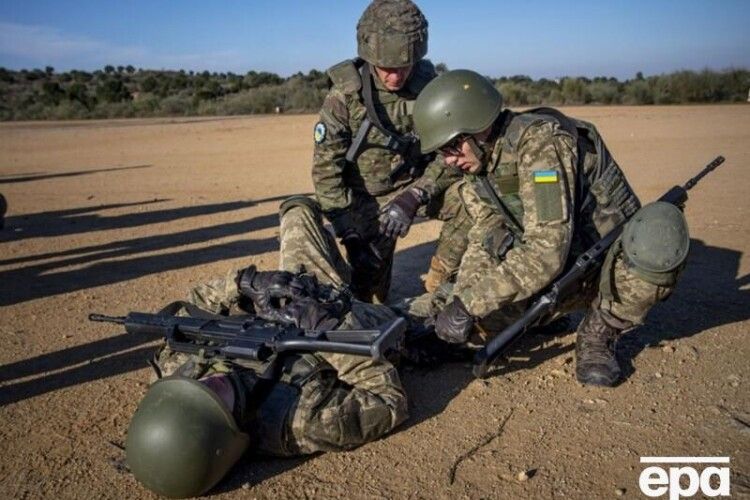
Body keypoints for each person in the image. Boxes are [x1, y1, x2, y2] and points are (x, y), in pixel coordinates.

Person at [407, 70, 689, 387]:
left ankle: (600, 330)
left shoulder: (542, 147)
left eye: (452, 148)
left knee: (656, 241)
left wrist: (471, 304)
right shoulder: (479, 165)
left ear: (478, 128)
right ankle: (543, 316)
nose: (448, 161)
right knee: (465, 331)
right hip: (550, 269)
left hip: (602, 265)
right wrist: (463, 301)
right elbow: (484, 239)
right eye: (442, 152)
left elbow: (545, 251)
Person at [125, 199, 409, 498]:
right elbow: (388, 401)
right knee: (452, 318)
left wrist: (245, 284)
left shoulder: (172, 378)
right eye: (215, 399)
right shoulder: (302, 421)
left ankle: (362, 273)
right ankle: (372, 278)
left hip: (300, 293)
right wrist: (331, 327)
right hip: (365, 325)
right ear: (231, 435)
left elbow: (192, 307)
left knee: (297, 209)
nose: (210, 381)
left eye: (195, 385)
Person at [312, 0, 471, 302]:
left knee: (472, 199)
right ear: (369, 56)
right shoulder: (344, 98)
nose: (395, 77)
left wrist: (415, 194)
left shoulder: (429, 87)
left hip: (415, 185)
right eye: (386, 69)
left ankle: (441, 287)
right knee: (369, 297)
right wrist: (349, 233)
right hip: (365, 199)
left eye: (403, 67)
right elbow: (325, 173)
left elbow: (452, 153)